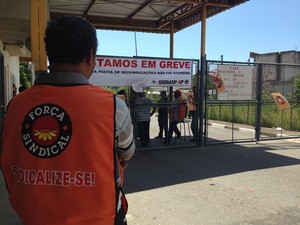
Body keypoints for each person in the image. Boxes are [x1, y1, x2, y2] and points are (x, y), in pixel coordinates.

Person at [0, 16, 135, 225]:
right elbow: (127, 152)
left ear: (50, 54)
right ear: (90, 55)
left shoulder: (15, 106)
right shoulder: (113, 106)